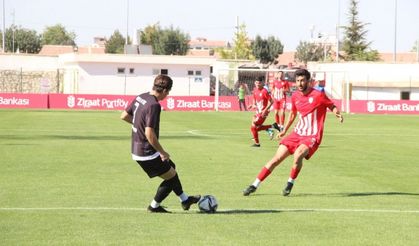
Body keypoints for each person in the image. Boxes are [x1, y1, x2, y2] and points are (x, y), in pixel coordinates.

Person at [243, 69, 343, 196]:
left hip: (312, 135)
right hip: (296, 133)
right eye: (297, 81)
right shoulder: (295, 96)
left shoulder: (318, 95)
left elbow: (331, 105)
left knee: (298, 155)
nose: (300, 83)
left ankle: (290, 183)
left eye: (302, 81)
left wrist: (337, 114)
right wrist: (284, 129)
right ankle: (254, 185)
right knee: (276, 159)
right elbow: (293, 114)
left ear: (309, 81)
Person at [121, 74, 200, 213]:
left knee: (171, 167)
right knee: (172, 176)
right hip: (146, 152)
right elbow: (149, 134)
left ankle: (185, 200)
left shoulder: (142, 96)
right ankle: (154, 206)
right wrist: (162, 152)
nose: (167, 95)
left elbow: (124, 116)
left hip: (137, 148)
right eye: (168, 92)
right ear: (164, 90)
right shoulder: (154, 105)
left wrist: (138, 125)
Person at [248, 78, 277, 147]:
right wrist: (252, 105)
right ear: (255, 83)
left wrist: (265, 110)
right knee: (255, 128)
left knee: (254, 127)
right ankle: (273, 126)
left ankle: (257, 143)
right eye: (256, 83)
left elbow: (272, 101)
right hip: (258, 112)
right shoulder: (255, 91)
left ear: (262, 83)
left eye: (259, 83)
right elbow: (254, 101)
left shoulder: (264, 91)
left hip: (263, 112)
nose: (258, 84)